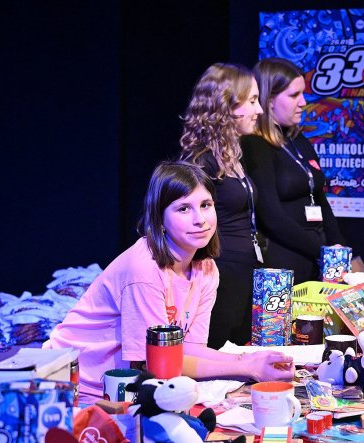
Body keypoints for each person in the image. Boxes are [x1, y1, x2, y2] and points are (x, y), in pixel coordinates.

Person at [46, 161, 294, 397]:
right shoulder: (144, 270)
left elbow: (189, 350)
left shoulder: (206, 269)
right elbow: (156, 364)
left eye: (206, 205)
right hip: (74, 386)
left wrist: (252, 361)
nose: (200, 219)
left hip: (126, 386)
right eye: (183, 208)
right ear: (160, 219)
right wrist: (247, 367)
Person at [241, 57, 352, 284]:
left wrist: (341, 251)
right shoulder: (255, 145)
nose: (303, 102)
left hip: (316, 259)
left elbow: (321, 200)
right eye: (294, 95)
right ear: (269, 100)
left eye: (303, 93)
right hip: (282, 266)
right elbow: (271, 217)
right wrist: (323, 251)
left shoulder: (299, 140)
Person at [179, 63, 264, 349]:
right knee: (215, 358)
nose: (260, 110)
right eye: (252, 101)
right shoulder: (201, 162)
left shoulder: (235, 156)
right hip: (221, 276)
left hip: (242, 273)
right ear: (226, 105)